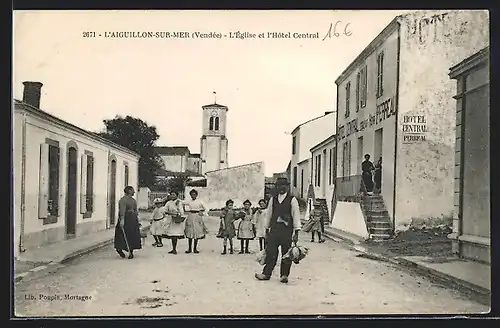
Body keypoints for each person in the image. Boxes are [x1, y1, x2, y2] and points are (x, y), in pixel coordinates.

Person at [255, 177, 301, 284]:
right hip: (274, 230)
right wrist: (266, 230)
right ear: (277, 187)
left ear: (287, 187)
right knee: (271, 252)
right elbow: (269, 215)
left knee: (286, 253)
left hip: (286, 231)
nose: (281, 188)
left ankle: (284, 275)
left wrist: (296, 232)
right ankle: (266, 274)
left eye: (283, 185)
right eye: (279, 185)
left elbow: (296, 216)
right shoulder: (273, 199)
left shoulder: (292, 200)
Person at [114, 186, 142, 259]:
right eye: (133, 190)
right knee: (122, 235)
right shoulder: (123, 200)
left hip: (133, 220)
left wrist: (137, 218)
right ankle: (119, 249)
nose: (134, 192)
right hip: (126, 219)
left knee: (132, 235)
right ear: (129, 191)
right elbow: (122, 211)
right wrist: (122, 220)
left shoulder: (133, 200)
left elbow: (136, 210)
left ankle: (131, 252)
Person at [183, 189, 209, 254]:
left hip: (197, 216)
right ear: (190, 195)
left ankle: (195, 249)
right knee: (190, 232)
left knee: (196, 232)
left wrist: (202, 213)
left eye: (194, 194)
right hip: (190, 216)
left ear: (196, 195)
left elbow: (207, 209)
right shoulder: (189, 201)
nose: (193, 196)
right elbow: (181, 202)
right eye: (192, 194)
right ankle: (189, 248)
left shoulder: (200, 201)